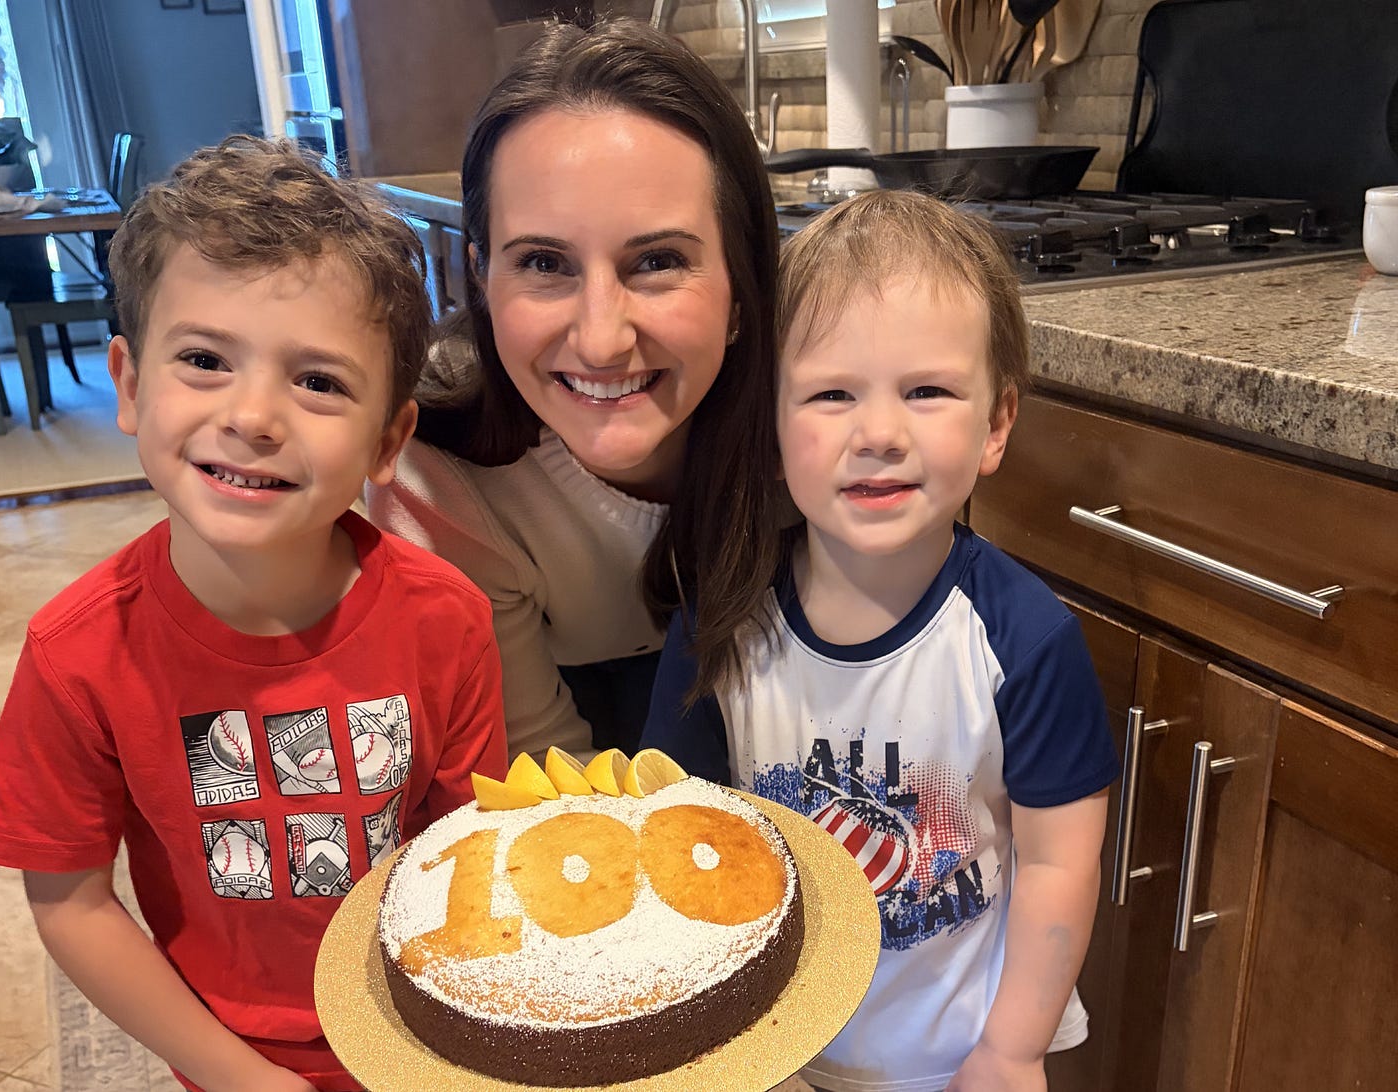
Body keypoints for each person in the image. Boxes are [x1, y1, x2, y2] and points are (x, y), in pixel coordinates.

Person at [0, 136, 507, 1092]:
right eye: (207, 359)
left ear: (389, 440)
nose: (255, 415)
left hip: (428, 1038)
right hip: (233, 1061)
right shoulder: (77, 655)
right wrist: (237, 1074)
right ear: (131, 385)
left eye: (319, 381)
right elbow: (71, 902)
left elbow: (468, 848)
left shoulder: (446, 618)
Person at [642, 189, 1119, 1092]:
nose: (880, 435)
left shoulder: (1026, 640)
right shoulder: (722, 626)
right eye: (831, 394)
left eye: (928, 391)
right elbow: (678, 844)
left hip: (955, 1061)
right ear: (773, 431)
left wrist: (1012, 1051)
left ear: (997, 424)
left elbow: (1060, 859)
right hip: (770, 1055)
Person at [366, 17, 780, 761]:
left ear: (742, 289)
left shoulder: (822, 429)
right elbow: (548, 786)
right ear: (481, 279)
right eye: (544, 263)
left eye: (655, 260)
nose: (601, 339)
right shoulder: (435, 472)